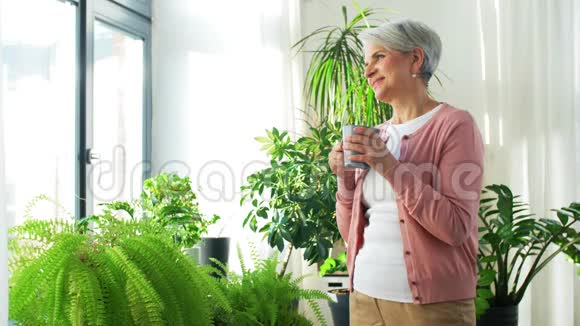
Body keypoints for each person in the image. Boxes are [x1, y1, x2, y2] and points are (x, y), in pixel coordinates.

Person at [328, 18, 484, 326]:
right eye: (366, 61)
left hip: (432, 309)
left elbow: (455, 227)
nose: (368, 70)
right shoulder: (377, 137)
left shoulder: (455, 125)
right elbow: (350, 234)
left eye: (379, 56)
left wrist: (388, 165)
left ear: (415, 58)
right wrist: (344, 180)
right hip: (365, 298)